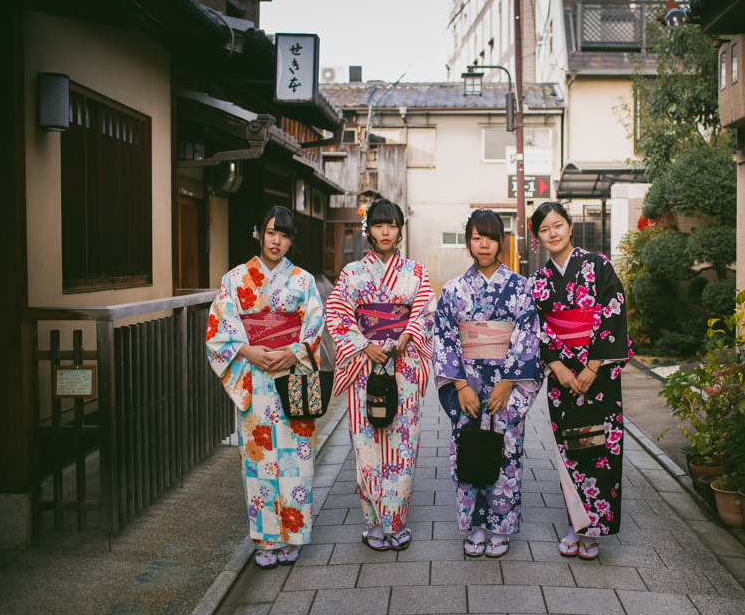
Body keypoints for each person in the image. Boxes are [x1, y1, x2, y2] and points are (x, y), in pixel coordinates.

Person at [206, 206, 325, 569]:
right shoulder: (235, 278)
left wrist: (294, 351)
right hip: (254, 378)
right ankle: (265, 540)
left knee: (296, 461)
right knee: (258, 464)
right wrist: (247, 350)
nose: (277, 241)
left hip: (292, 380)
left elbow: (315, 325)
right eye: (272, 232)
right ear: (259, 233)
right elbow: (218, 329)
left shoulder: (304, 280)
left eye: (285, 235)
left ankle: (293, 535)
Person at [324, 198, 436, 551]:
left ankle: (397, 521)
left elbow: (425, 311)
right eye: (378, 225)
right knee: (367, 445)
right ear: (368, 229)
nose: (385, 231)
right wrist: (361, 343)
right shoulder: (352, 272)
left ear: (400, 229)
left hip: (403, 364)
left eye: (391, 225)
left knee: (404, 443)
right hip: (365, 367)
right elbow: (338, 314)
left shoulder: (415, 272)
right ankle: (373, 521)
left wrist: (407, 336)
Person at [433, 209, 542, 558]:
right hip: (467, 384)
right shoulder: (452, 290)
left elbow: (527, 337)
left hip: (505, 386)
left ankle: (500, 527)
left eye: (491, 237)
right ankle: (475, 526)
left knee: (506, 452)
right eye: (477, 237)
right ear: (468, 242)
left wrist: (509, 382)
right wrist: (461, 385)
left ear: (501, 243)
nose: (484, 244)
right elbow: (445, 339)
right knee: (467, 449)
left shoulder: (520, 288)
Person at [529, 201, 632, 561]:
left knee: (600, 448)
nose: (552, 233)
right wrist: (557, 367)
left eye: (558, 225)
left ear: (571, 227)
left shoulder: (598, 265)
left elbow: (612, 309)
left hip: (599, 376)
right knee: (572, 448)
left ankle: (596, 531)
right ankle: (577, 525)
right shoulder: (538, 283)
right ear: (537, 237)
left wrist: (593, 365)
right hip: (563, 380)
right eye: (544, 229)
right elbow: (538, 329)